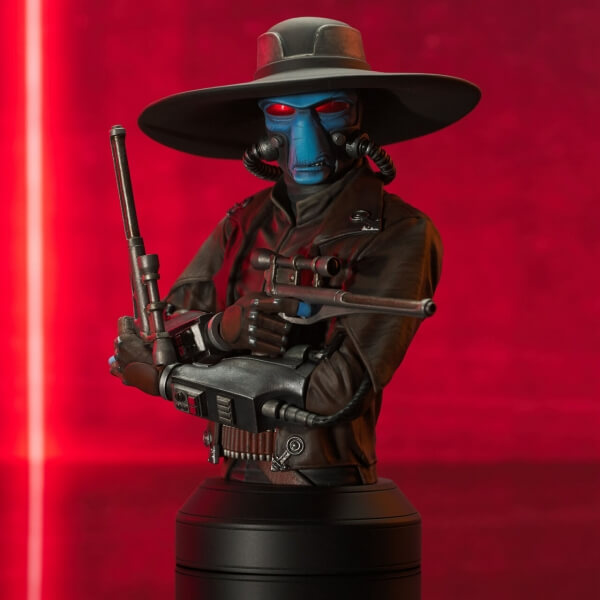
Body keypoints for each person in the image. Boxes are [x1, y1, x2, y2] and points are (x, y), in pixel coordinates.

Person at [110, 17, 480, 487]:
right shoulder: (244, 221)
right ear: (264, 122)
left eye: (329, 108)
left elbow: (333, 393)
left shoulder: (400, 232)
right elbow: (155, 335)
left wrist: (168, 379)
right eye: (284, 110)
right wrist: (223, 330)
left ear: (359, 115)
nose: (305, 134)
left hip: (320, 481)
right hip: (231, 478)